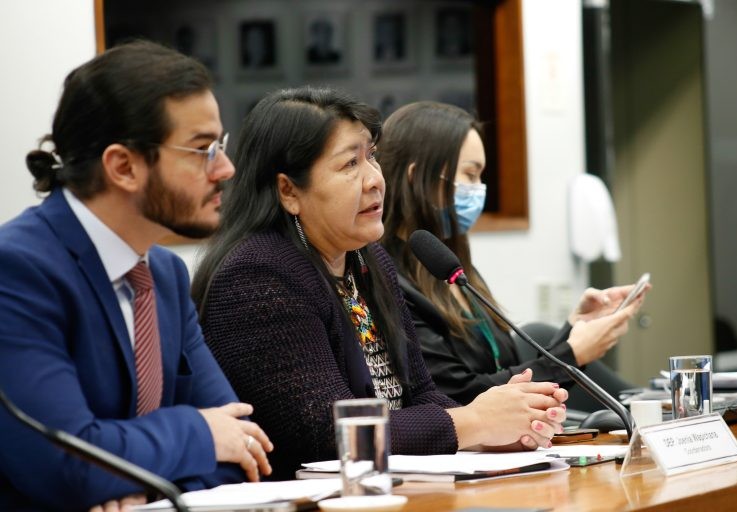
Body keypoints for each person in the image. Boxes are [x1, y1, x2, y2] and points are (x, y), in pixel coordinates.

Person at [191, 86, 568, 481]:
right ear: (289, 191)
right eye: (350, 164)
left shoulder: (368, 261)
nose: (374, 179)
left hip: (387, 488)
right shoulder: (258, 276)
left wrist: (493, 432)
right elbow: (328, 435)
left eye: (371, 155)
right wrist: (472, 422)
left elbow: (420, 395)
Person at [0, 41, 272, 511]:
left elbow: (242, 447)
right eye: (203, 149)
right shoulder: (19, 269)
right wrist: (197, 431)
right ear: (123, 166)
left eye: (221, 147)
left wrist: (137, 485)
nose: (226, 169)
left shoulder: (163, 273)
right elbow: (65, 462)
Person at [378, 101, 646, 408]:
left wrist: (575, 329)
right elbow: (460, 397)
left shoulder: (452, 266)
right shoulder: (388, 279)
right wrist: (573, 353)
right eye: (469, 174)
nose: (479, 189)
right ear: (416, 177)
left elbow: (506, 373)